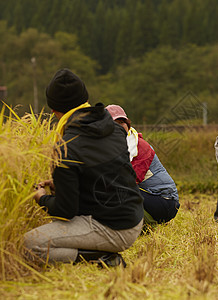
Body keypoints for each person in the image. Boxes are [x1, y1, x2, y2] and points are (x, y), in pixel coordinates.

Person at [24, 69, 144, 267]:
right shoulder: (113, 128)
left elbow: (65, 211)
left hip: (114, 228)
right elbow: (105, 176)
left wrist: (42, 198)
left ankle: (100, 259)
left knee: (28, 244)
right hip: (133, 216)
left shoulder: (66, 147)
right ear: (84, 98)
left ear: (54, 110)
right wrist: (62, 183)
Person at [105, 104, 180, 226]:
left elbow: (129, 181)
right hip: (148, 197)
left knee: (116, 191)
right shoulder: (114, 148)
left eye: (121, 122)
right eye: (114, 124)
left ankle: (141, 224)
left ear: (127, 125)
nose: (118, 127)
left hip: (165, 201)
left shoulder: (139, 146)